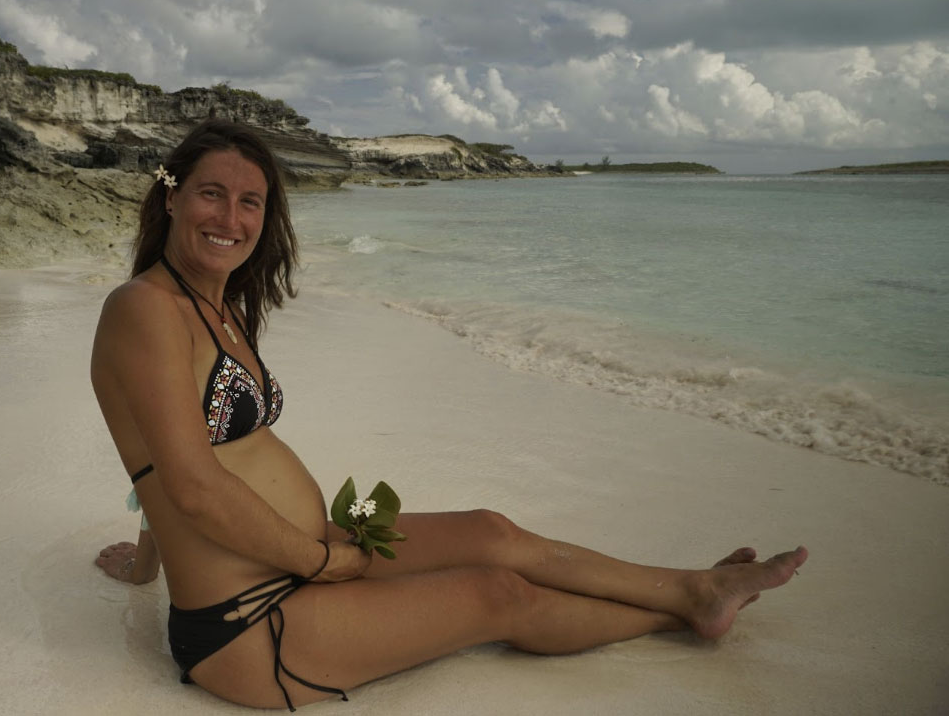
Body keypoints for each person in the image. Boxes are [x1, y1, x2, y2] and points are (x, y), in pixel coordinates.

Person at [91, 119, 807, 711]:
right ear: (173, 197)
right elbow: (190, 485)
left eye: (251, 202)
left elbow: (160, 461)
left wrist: (147, 563)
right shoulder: (144, 309)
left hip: (308, 554)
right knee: (496, 596)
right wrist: (320, 559)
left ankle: (693, 587)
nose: (232, 217)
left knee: (492, 531)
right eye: (212, 194)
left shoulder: (219, 306)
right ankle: (684, 608)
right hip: (249, 624)